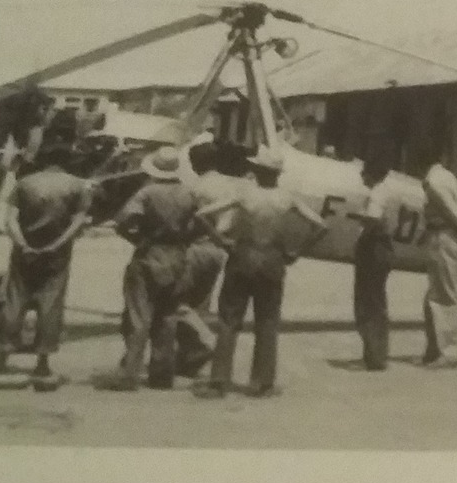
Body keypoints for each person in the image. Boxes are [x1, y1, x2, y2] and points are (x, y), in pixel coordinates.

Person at [195, 146, 326, 399]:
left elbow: (202, 214)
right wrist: (297, 251)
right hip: (272, 260)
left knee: (229, 320)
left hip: (243, 256)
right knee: (267, 321)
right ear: (278, 174)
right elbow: (321, 226)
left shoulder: (244, 194)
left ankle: (219, 379)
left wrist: (221, 241)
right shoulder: (287, 198)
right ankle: (263, 382)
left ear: (257, 170)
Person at [0, 144, 93, 383]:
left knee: (14, 299)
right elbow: (78, 222)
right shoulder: (77, 186)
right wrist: (57, 244)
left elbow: (10, 219)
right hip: (57, 255)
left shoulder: (25, 183)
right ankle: (42, 362)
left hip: (24, 252)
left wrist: (22, 244)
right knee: (51, 305)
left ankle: (2, 358)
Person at [103, 146, 198, 391]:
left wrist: (136, 239)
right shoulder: (189, 193)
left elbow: (122, 222)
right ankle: (162, 375)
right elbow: (201, 223)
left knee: (138, 316)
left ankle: (129, 374)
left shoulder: (146, 194)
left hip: (149, 254)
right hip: (177, 256)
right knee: (167, 316)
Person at [347, 153, 422, 371]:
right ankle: (377, 354)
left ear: (371, 174)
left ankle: (374, 356)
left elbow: (373, 219)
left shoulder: (376, 194)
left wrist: (358, 222)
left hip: (374, 248)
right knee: (377, 301)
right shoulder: (387, 191)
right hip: (383, 248)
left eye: (363, 172)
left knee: (368, 301)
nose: (361, 175)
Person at [410, 146, 457, 370]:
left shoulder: (434, 182)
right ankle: (434, 351)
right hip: (443, 236)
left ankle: (450, 354)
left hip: (444, 238)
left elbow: (452, 212)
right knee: (435, 296)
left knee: (444, 296)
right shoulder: (447, 176)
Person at [175, 136, 238, 377]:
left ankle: (204, 341)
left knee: (177, 302)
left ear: (196, 163)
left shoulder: (195, 188)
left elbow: (187, 222)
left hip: (197, 247)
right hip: (218, 251)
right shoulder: (231, 185)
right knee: (200, 305)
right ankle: (189, 360)